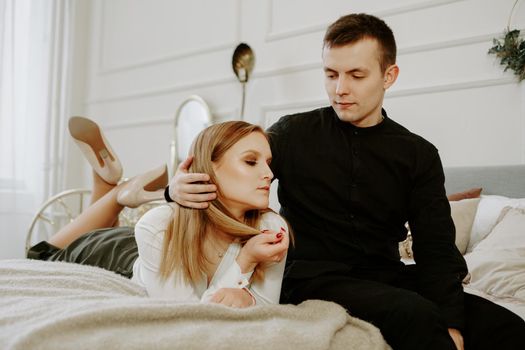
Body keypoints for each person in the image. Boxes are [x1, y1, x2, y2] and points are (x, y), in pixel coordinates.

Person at [166, 13, 525, 349]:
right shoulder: (292, 133)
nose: (340, 88)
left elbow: (436, 250)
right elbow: (232, 165)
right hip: (310, 278)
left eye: (356, 75)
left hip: (386, 276)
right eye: (331, 74)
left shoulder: (419, 155)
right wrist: (174, 190)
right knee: (412, 313)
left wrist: (453, 325)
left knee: (501, 323)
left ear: (389, 76)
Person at [28, 117, 290, 307]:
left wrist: (247, 294)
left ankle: (109, 183)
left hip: (149, 250)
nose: (269, 174)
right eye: (250, 161)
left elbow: (266, 309)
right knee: (42, 256)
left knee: (113, 230)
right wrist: (244, 263)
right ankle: (118, 192)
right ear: (210, 168)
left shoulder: (271, 228)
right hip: (112, 258)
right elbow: (187, 318)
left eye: (267, 163)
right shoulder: (157, 225)